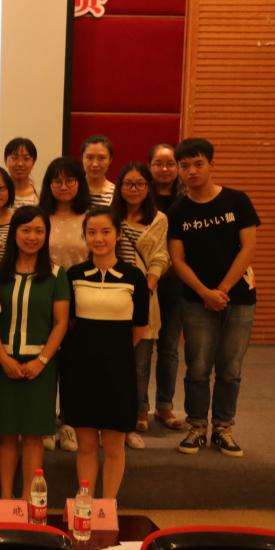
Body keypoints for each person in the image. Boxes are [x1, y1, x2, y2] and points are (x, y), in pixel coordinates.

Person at [168, 138, 260, 458]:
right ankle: (196, 427)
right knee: (197, 367)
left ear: (211, 164)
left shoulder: (237, 200)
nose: (191, 171)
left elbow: (248, 248)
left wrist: (222, 289)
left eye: (198, 164)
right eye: (184, 166)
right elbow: (177, 260)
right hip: (196, 301)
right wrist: (205, 293)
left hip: (240, 298)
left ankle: (223, 428)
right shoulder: (178, 211)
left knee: (230, 368)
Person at [61, 208, 149, 499]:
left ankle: (107, 505)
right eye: (92, 232)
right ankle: (85, 501)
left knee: (114, 444)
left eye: (105, 232)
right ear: (84, 236)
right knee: (86, 444)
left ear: (119, 235)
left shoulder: (134, 277)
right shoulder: (74, 275)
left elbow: (139, 328)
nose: (98, 238)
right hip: (81, 369)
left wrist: (114, 352)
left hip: (119, 370)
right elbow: (67, 322)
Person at [0, 206, 69, 499]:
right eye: (26, 230)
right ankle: (6, 500)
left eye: (39, 231)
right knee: (7, 434)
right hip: (4, 363)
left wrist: (42, 360)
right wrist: (2, 357)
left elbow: (61, 323)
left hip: (40, 367)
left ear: (46, 235)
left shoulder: (56, 275)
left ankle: (27, 499)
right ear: (14, 233)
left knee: (34, 436)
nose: (32, 237)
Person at [111, 162, 171, 450]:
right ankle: (110, 413)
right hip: (108, 297)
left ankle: (138, 410)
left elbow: (160, 256)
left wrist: (147, 287)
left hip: (143, 295)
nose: (133, 189)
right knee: (111, 361)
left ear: (148, 188)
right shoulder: (109, 216)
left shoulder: (158, 219)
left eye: (140, 184)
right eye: (128, 184)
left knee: (139, 361)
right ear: (119, 187)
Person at [38, 156, 91, 452]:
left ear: (79, 183)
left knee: (74, 365)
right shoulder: (40, 217)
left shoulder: (90, 217)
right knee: (45, 361)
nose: (64, 186)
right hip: (45, 297)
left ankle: (69, 423)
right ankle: (44, 421)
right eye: (56, 181)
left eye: (70, 180)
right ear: (48, 185)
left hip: (83, 299)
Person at [147, 143, 185, 431]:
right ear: (150, 166)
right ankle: (139, 407)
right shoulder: (140, 198)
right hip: (146, 281)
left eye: (170, 163)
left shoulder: (187, 199)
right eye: (158, 163)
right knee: (141, 349)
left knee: (169, 347)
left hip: (176, 282)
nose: (164, 169)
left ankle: (164, 406)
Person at [82, 134, 116, 208]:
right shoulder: (72, 190)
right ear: (82, 158)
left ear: (110, 160)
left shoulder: (116, 193)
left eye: (101, 158)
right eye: (89, 158)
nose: (95, 164)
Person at [5, 137, 39, 207]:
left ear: (33, 162)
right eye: (14, 158)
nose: (20, 163)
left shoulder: (41, 194)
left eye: (26, 158)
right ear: (5, 160)